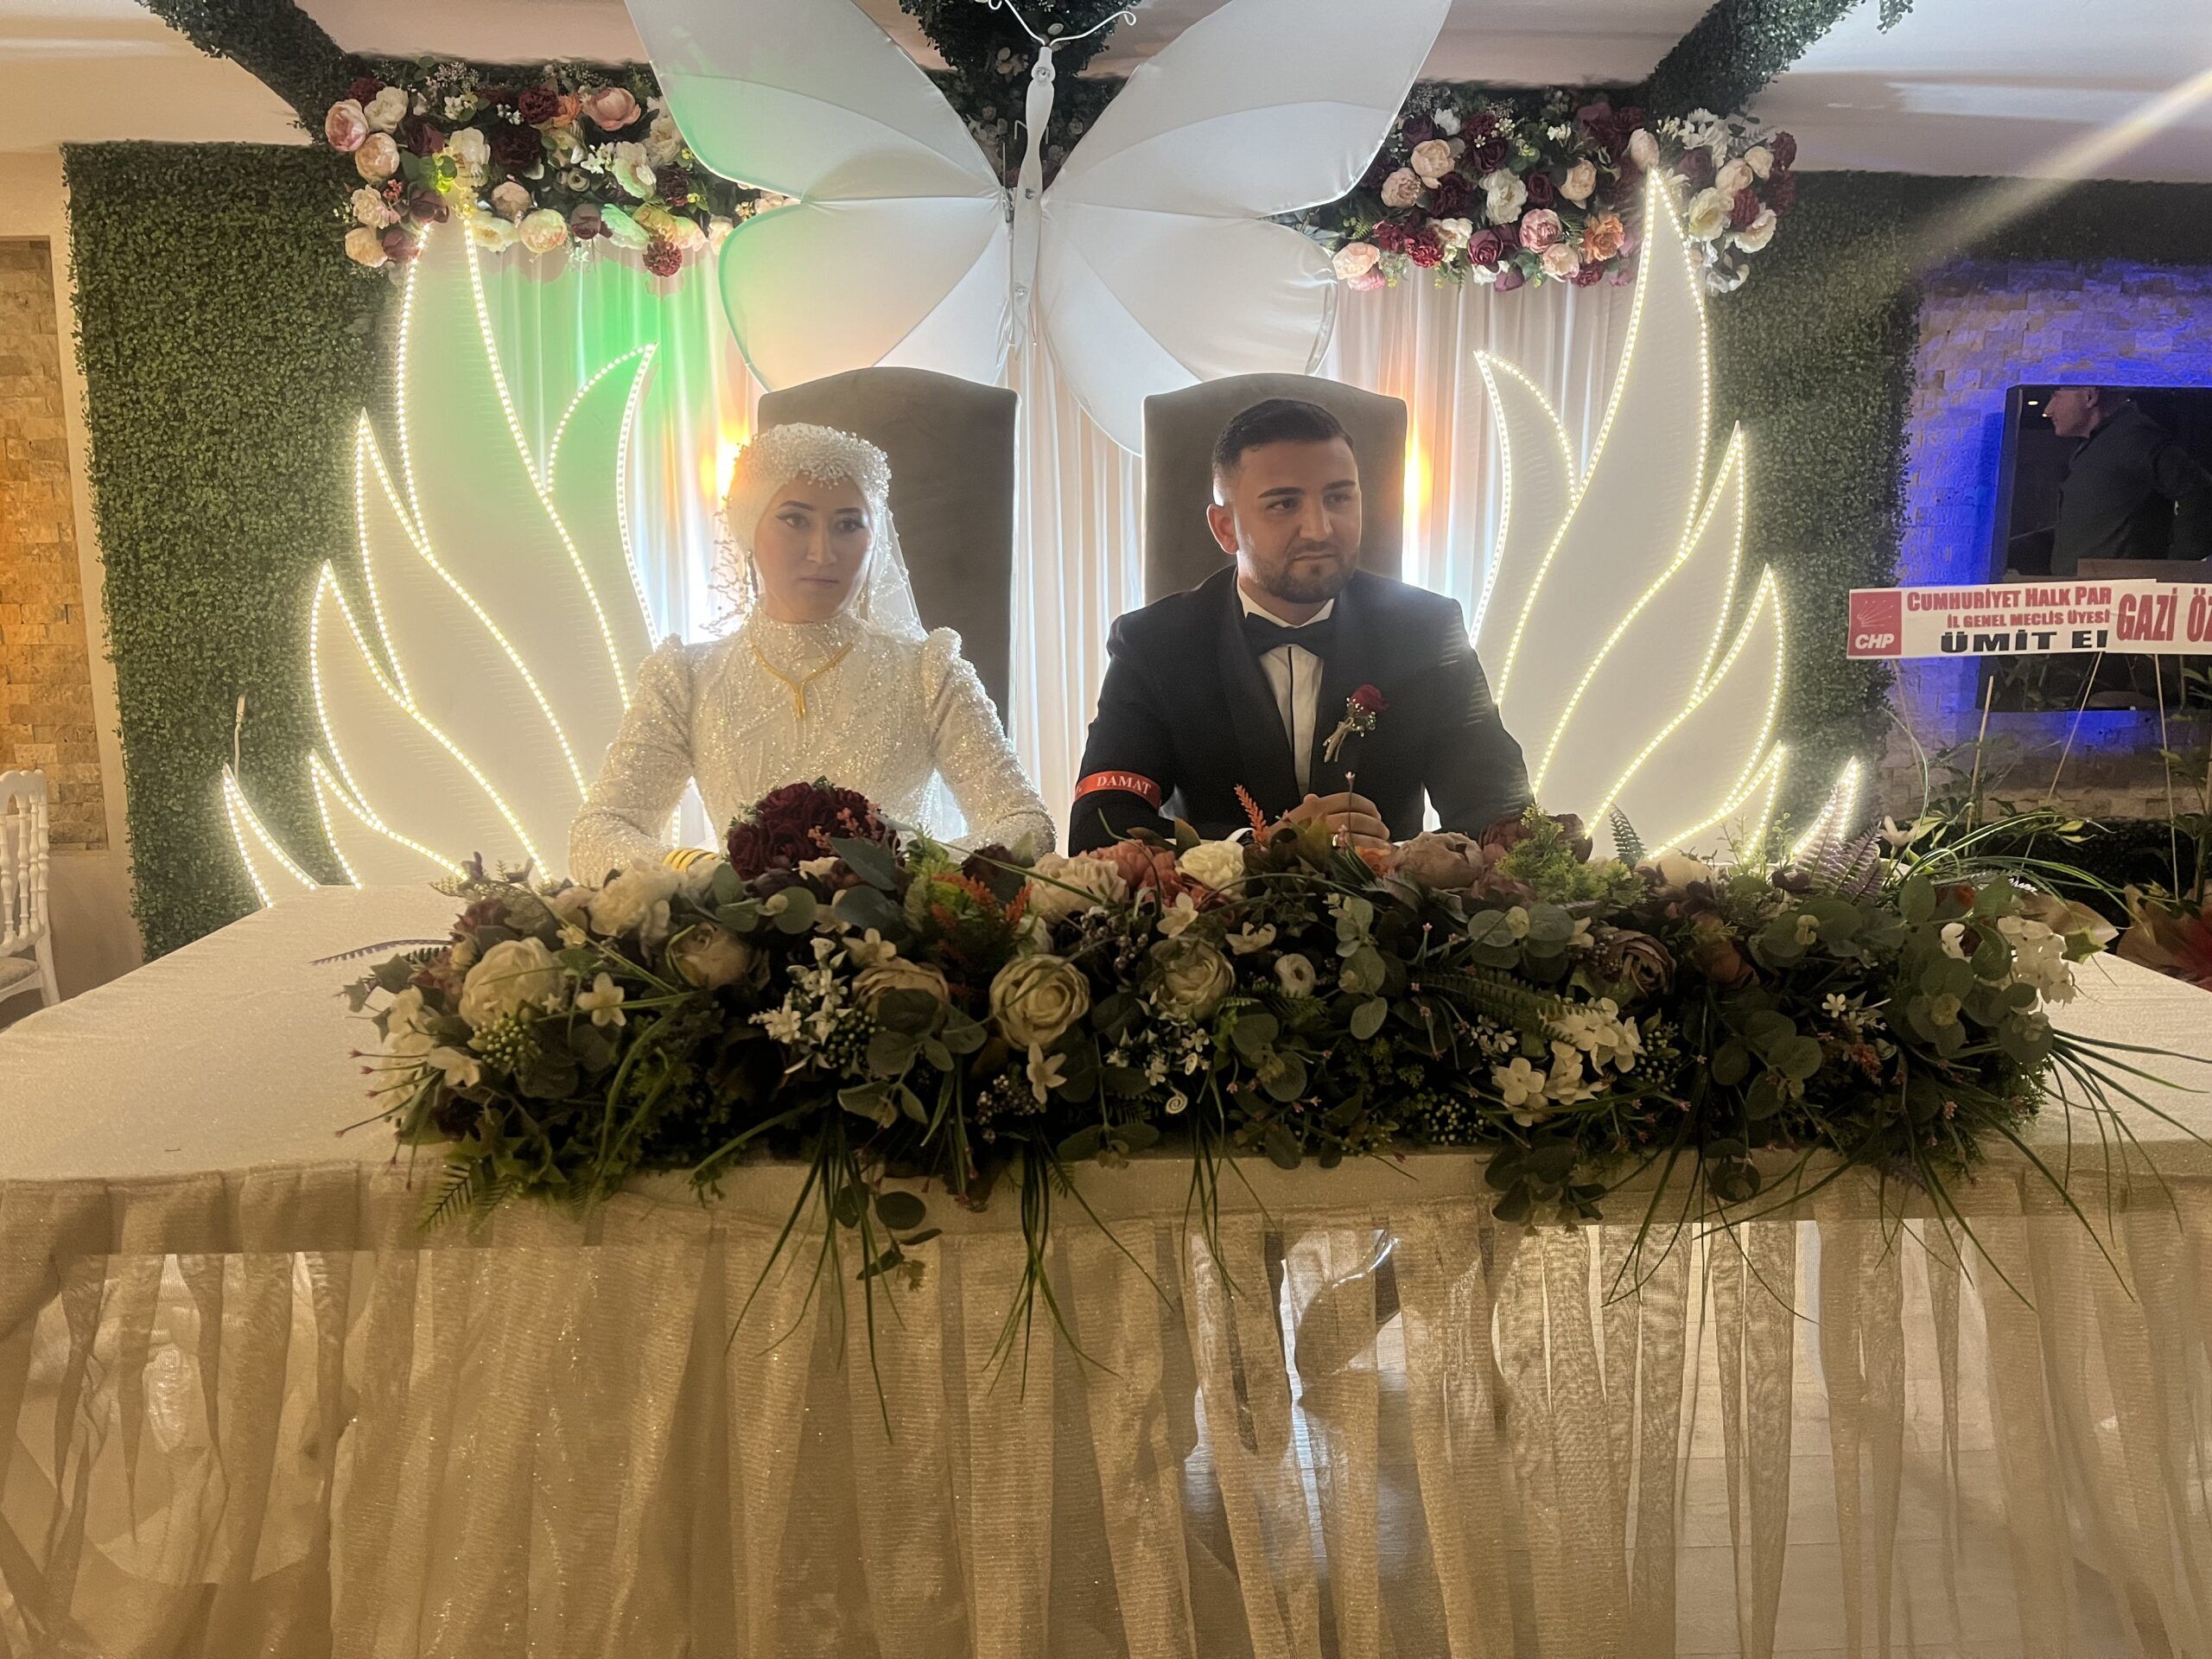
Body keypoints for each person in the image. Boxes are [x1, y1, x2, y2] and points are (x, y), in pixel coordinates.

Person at [569, 423, 1053, 879]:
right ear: (747, 528)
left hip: (895, 936)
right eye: (795, 520)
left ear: (874, 538)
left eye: (848, 525)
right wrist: (712, 878)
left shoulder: (928, 671)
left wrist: (894, 877)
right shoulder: (687, 678)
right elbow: (598, 832)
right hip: (738, 935)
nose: (823, 553)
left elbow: (1025, 822)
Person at [1070, 397, 1529, 853]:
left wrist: (1406, 861)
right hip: (1216, 900)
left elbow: (1500, 814)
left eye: (1339, 497)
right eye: (1285, 504)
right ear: (1225, 527)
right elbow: (1099, 827)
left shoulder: (1427, 632)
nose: (1319, 528)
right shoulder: (1154, 645)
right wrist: (1262, 846)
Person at [2043, 385, 2212, 575]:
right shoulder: (2102, 441)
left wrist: (2178, 570)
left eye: (2057, 396)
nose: (2048, 410)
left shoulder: (2134, 435)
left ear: (2090, 396)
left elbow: (2199, 490)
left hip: (2116, 591)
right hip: (2090, 590)